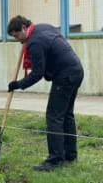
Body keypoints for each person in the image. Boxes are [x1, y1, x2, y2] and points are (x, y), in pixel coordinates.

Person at [7, 15, 84, 172]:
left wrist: (18, 84)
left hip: (65, 76)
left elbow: (37, 74)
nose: (17, 39)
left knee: (54, 116)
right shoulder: (43, 27)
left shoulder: (35, 42)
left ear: (23, 28)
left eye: (17, 36)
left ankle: (55, 161)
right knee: (66, 115)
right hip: (76, 70)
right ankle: (70, 156)